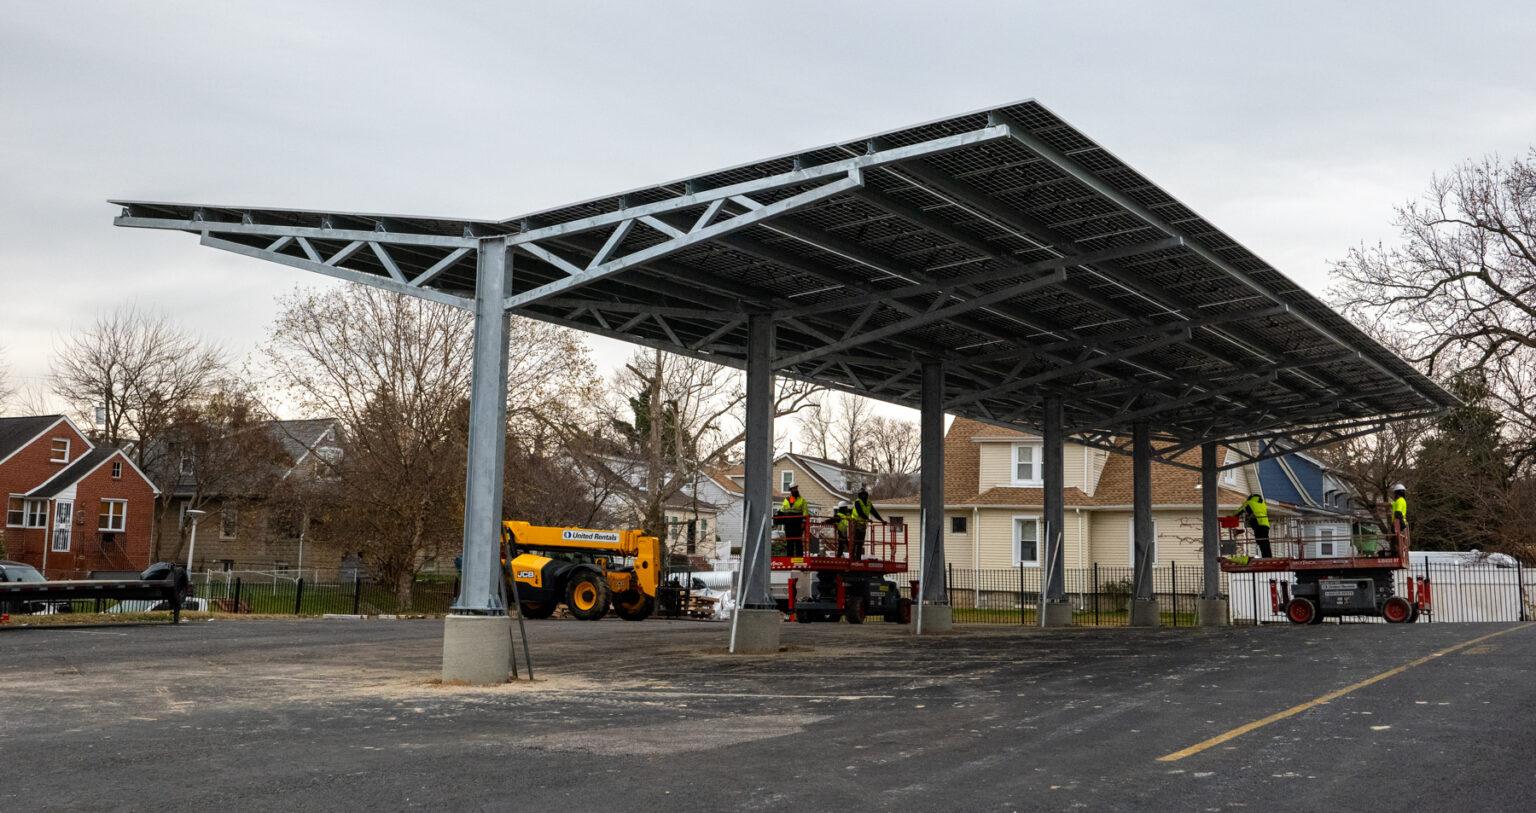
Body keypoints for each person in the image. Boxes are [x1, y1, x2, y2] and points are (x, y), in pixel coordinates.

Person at [850, 486, 883, 559]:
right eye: (862, 494)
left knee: (860, 542)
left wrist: (881, 520)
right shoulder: (857, 502)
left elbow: (874, 512)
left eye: (864, 494)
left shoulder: (868, 503)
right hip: (855, 522)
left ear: (866, 495)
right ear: (859, 495)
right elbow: (860, 512)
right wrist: (867, 519)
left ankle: (858, 558)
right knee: (855, 541)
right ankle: (851, 558)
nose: (863, 496)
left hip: (862, 524)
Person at [1235, 493, 1272, 558]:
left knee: (1261, 542)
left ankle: (1265, 558)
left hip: (1258, 524)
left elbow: (1239, 511)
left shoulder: (1249, 502)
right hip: (1266, 524)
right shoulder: (1262, 503)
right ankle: (1269, 557)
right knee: (1266, 541)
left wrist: (1232, 517)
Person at [779, 485, 808, 556]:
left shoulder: (802, 500)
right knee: (789, 542)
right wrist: (779, 514)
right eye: (793, 489)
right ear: (790, 490)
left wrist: (803, 523)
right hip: (788, 524)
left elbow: (805, 512)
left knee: (798, 541)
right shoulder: (786, 500)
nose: (795, 490)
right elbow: (782, 510)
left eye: (796, 488)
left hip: (797, 523)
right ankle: (789, 557)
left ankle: (799, 557)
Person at [1391, 483, 1409, 552]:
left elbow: (1398, 513)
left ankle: (1399, 551)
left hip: (1398, 524)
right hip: (1399, 524)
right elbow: (1390, 504)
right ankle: (1399, 550)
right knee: (1396, 541)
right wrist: (1376, 504)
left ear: (1396, 493)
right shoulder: (1399, 501)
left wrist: (1402, 526)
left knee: (1398, 542)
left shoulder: (1400, 501)